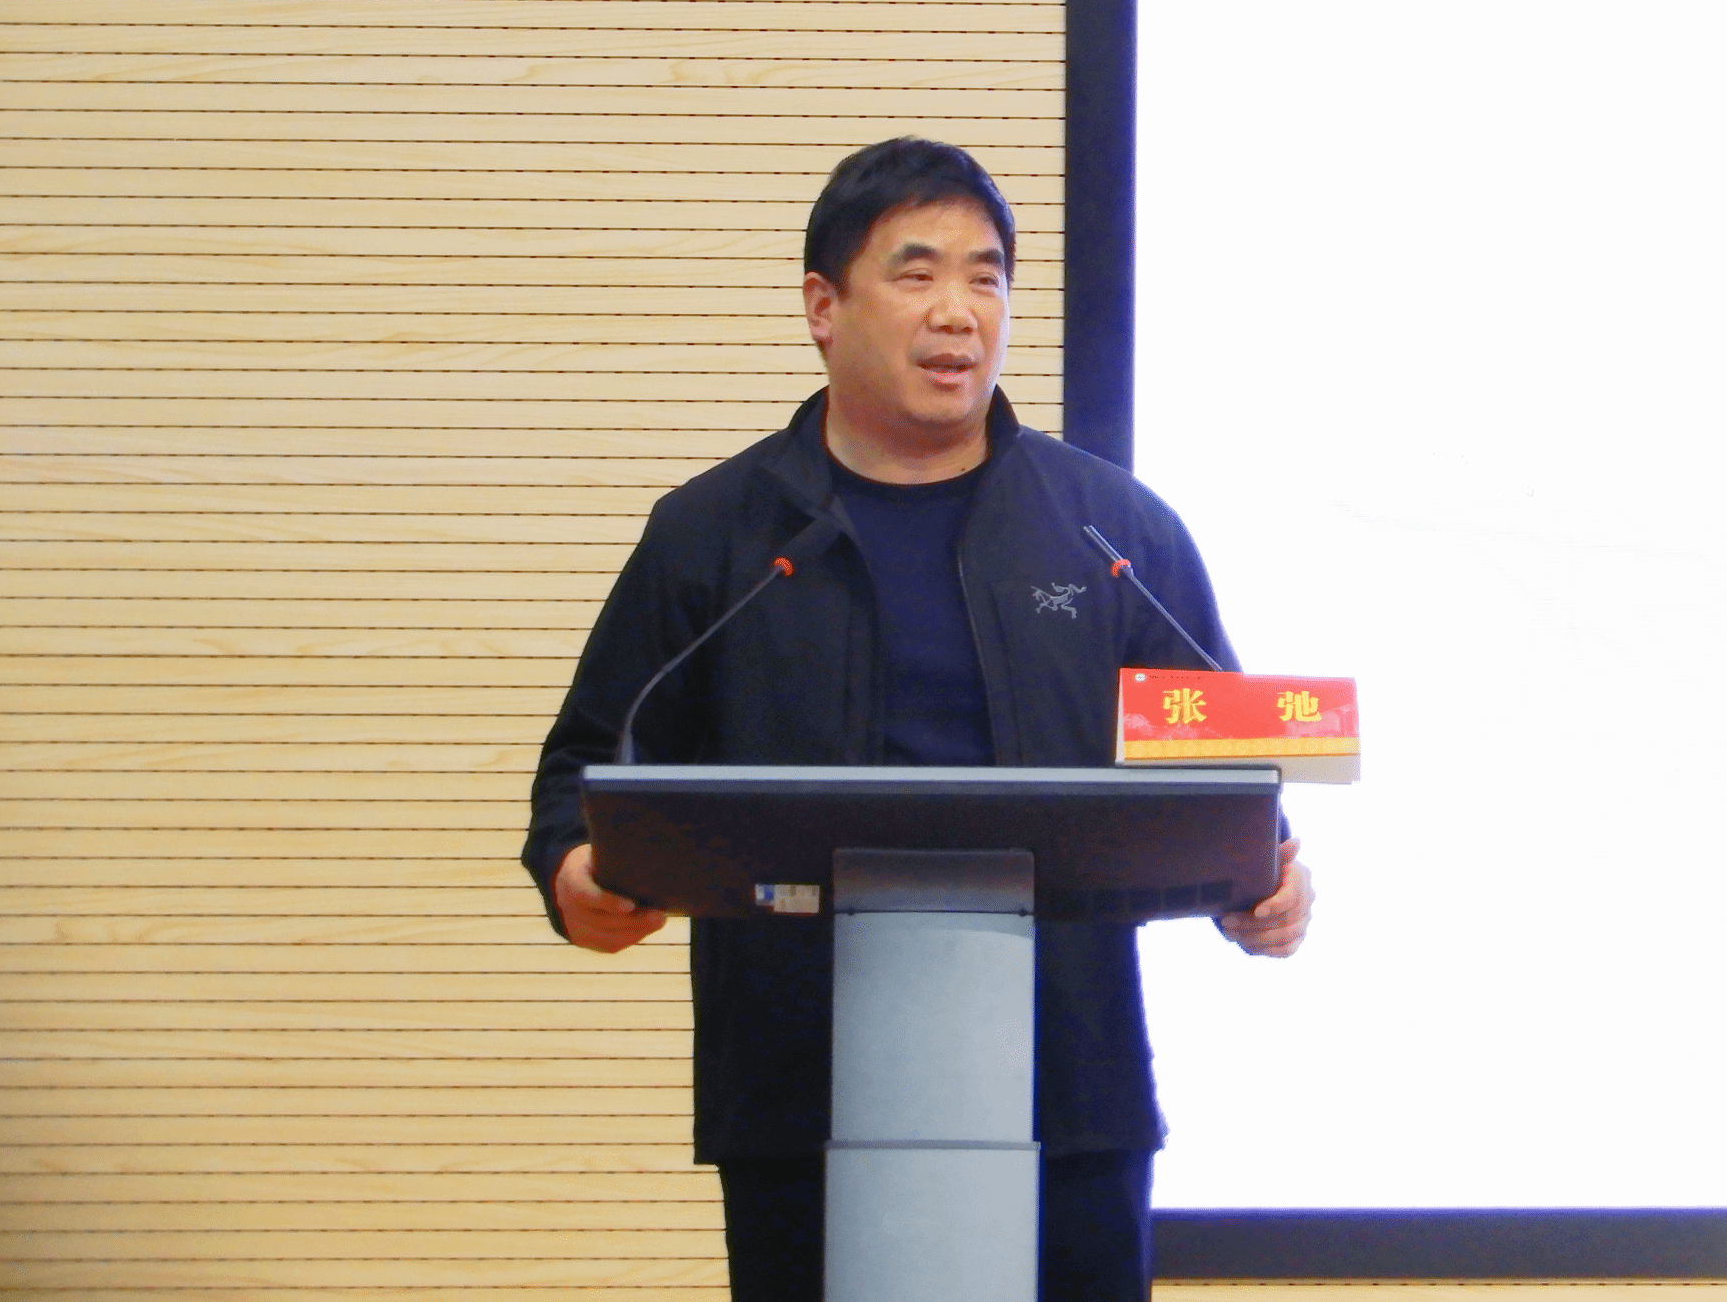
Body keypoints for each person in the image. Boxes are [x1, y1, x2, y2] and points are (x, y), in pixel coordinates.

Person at [522, 137, 1314, 1301]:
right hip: (799, 1099)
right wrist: (575, 872)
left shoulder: (1110, 534)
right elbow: (588, 762)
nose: (958, 311)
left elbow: (1229, 770)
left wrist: (1263, 878)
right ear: (821, 307)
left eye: (985, 277)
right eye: (916, 272)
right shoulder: (717, 536)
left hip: (1066, 1097)